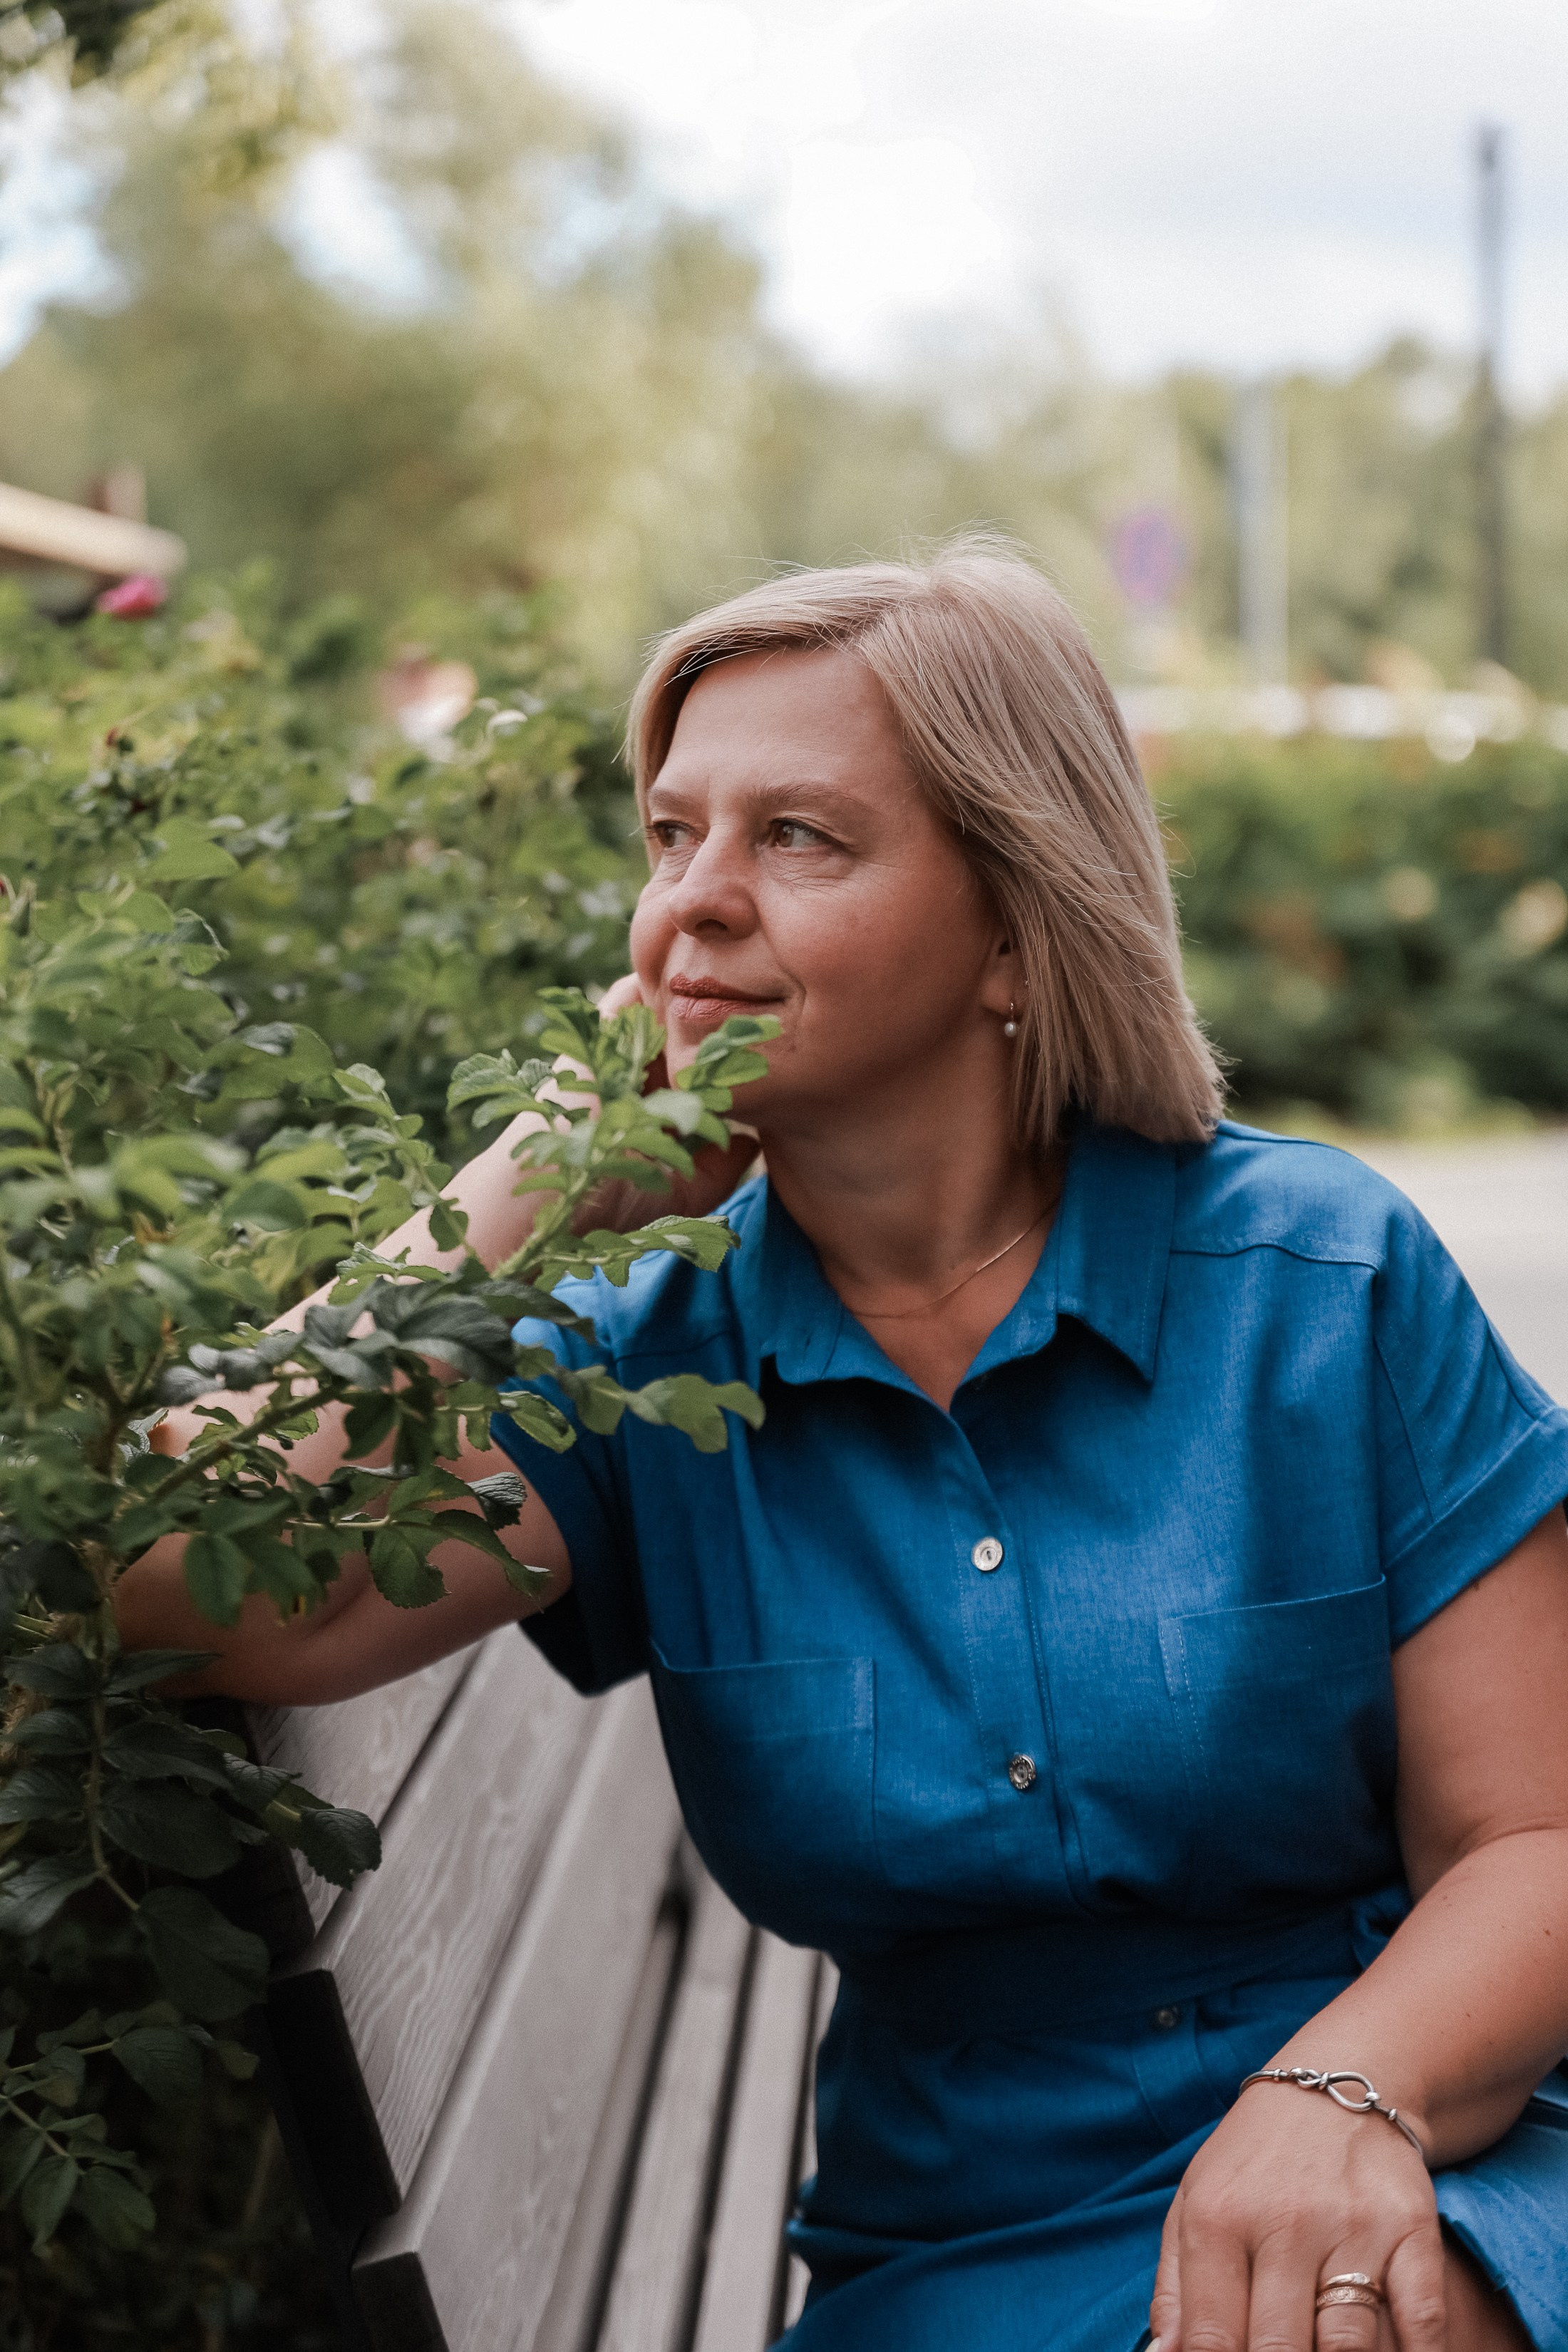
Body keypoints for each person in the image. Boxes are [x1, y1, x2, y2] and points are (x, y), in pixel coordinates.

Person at [118, 543, 1568, 2352]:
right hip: (962, 2232)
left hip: (1411, 2120)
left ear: (1017, 930)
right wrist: (530, 1181)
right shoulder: (646, 1362)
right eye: (670, 838)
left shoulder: (1318, 1282)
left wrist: (1339, 2096)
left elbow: (1530, 1838)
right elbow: (169, 1581)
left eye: (796, 837)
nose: (695, 906)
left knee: (1371, 2318)